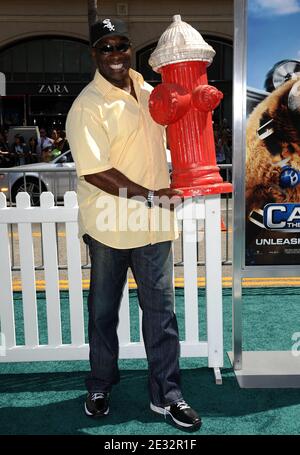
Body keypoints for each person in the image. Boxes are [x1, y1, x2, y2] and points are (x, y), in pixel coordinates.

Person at [66, 18, 201, 431]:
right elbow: (96, 172)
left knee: (161, 314)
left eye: (121, 45)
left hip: (154, 227)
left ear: (131, 49)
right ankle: (100, 385)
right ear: (94, 54)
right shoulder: (87, 104)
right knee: (104, 313)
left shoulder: (150, 92)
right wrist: (153, 195)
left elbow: (182, 133)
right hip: (109, 227)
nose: (115, 54)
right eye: (106, 47)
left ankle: (168, 395)